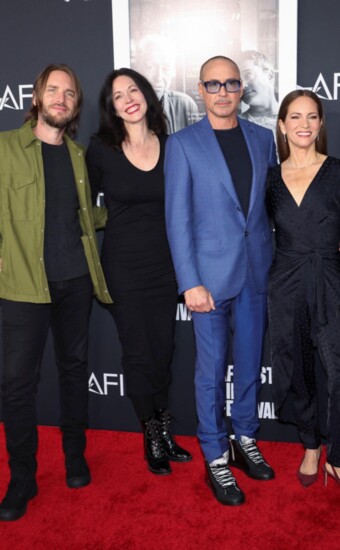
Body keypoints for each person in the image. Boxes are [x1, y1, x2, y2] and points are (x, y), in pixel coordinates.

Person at [0, 64, 112, 521]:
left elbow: (87, 217)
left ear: (75, 106)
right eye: (54, 90)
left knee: (74, 371)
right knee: (16, 385)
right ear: (37, 96)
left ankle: (74, 456)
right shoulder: (6, 148)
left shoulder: (81, 157)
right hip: (22, 285)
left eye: (70, 92)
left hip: (74, 282)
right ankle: (22, 478)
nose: (61, 98)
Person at [165, 55, 276, 506]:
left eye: (231, 83)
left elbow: (268, 208)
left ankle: (244, 437)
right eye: (214, 84)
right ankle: (215, 454)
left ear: (240, 89)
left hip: (256, 270)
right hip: (207, 280)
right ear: (200, 90)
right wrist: (190, 281)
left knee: (248, 362)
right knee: (210, 373)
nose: (224, 92)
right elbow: (177, 220)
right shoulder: (184, 144)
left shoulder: (263, 138)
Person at [85, 68, 192, 476]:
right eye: (118, 96)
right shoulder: (100, 150)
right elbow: (83, 206)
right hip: (123, 268)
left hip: (167, 266)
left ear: (146, 95)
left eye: (133, 90)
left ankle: (165, 428)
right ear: (111, 108)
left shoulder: (172, 146)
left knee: (163, 348)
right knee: (139, 353)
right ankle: (150, 434)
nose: (128, 98)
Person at [266, 89, 340, 488]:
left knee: (339, 366)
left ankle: (338, 453)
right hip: (287, 281)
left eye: (312, 117)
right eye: (295, 117)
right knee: (302, 368)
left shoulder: (337, 171)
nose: (304, 125)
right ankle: (311, 446)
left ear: (320, 123)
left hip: (331, 277)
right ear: (282, 125)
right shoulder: (271, 179)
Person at [132, 34, 199, 133]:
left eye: (166, 68)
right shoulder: (126, 107)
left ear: (173, 71)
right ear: (137, 69)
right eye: (150, 67)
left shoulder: (185, 105)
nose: (158, 76)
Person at [239, 50, 279, 132]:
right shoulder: (237, 126)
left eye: (248, 75)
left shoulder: (296, 118)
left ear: (270, 76)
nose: (242, 86)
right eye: (237, 82)